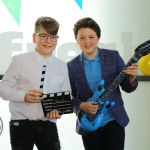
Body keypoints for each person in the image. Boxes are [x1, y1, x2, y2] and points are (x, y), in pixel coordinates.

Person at [67, 17, 138, 150]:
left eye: (91, 37)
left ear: (98, 38)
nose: (87, 41)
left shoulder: (114, 56)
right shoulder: (71, 66)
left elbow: (127, 87)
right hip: (88, 124)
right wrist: (81, 105)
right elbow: (69, 96)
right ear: (76, 40)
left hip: (114, 121)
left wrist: (132, 77)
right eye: (82, 37)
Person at [0, 16, 71, 150]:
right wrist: (24, 96)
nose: (48, 41)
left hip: (48, 125)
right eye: (43, 36)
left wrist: (59, 111)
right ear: (34, 37)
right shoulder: (19, 60)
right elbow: (3, 89)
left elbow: (67, 95)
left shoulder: (62, 66)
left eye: (53, 37)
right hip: (20, 125)